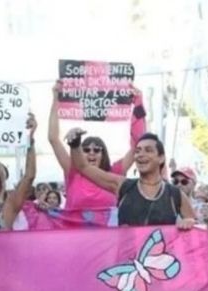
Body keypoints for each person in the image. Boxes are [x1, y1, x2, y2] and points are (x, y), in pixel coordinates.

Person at [48, 80, 146, 211]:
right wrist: (55, 97)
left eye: (96, 150)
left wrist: (138, 102)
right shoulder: (72, 170)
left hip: (109, 231)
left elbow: (138, 145)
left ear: (103, 154)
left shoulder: (115, 172)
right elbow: (53, 138)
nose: (91, 153)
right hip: (74, 231)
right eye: (86, 149)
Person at [72, 131, 196, 228]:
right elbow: (83, 167)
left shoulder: (175, 195)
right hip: (126, 259)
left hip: (162, 259)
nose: (141, 155)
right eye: (137, 151)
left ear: (161, 158)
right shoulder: (123, 186)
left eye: (148, 150)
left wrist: (189, 222)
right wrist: (75, 144)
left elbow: (196, 228)